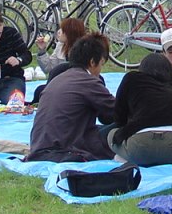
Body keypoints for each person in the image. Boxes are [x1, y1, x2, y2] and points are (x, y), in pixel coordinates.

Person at [107, 53, 172, 166]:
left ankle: (130, 158)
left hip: (139, 147)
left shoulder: (132, 79)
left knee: (111, 135)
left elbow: (119, 118)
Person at [28, 33, 117, 162]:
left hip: (39, 145)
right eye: (101, 64)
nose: (100, 70)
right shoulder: (88, 81)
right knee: (122, 132)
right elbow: (116, 111)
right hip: (65, 149)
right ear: (92, 62)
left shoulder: (59, 78)